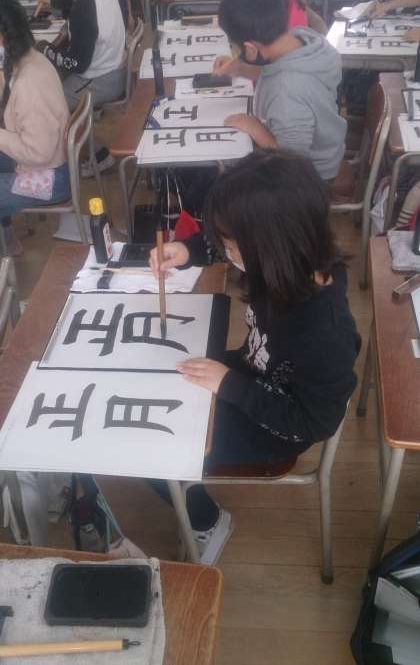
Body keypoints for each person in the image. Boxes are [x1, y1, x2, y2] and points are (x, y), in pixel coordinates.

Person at [149, 150, 361, 564]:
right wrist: (186, 249)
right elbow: (223, 241)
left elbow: (314, 422)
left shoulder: (325, 333)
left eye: (231, 246)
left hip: (273, 427)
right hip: (248, 377)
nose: (226, 252)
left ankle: (208, 520)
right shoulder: (288, 263)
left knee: (152, 449)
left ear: (270, 245)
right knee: (158, 381)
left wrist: (229, 385)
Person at [213, 0, 347, 188]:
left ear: (250, 48)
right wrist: (239, 69)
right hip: (322, 152)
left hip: (309, 179)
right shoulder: (302, 42)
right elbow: (273, 71)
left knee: (223, 182)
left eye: (234, 46)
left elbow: (292, 160)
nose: (235, 52)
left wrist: (256, 128)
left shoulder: (286, 90)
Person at [38, 0, 127, 174]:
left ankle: (98, 155)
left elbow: (77, 64)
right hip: (113, 67)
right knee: (53, 79)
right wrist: (55, 1)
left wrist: (46, 50)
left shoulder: (83, 13)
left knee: (49, 101)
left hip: (100, 80)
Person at [0, 0, 70, 256]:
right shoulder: (27, 57)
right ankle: (7, 238)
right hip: (44, 162)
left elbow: (38, 153)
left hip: (48, 178)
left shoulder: (29, 81)